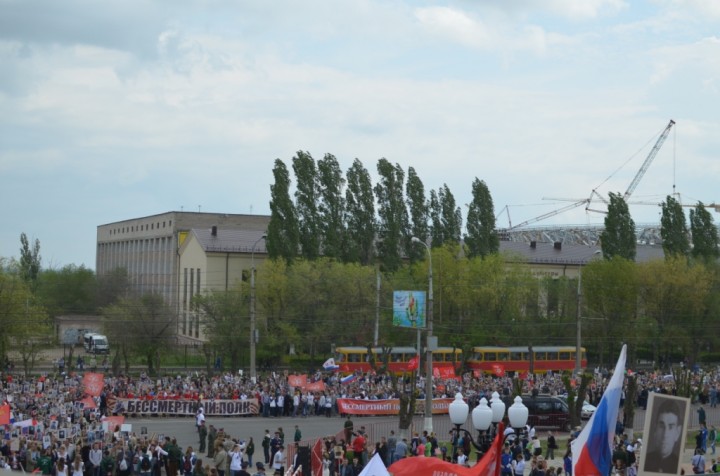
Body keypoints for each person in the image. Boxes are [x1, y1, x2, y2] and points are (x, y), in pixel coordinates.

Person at [643, 397, 683, 473]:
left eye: (671, 427)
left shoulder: (677, 466)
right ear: (655, 429)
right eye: (662, 426)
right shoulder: (645, 462)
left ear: (677, 432)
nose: (665, 434)